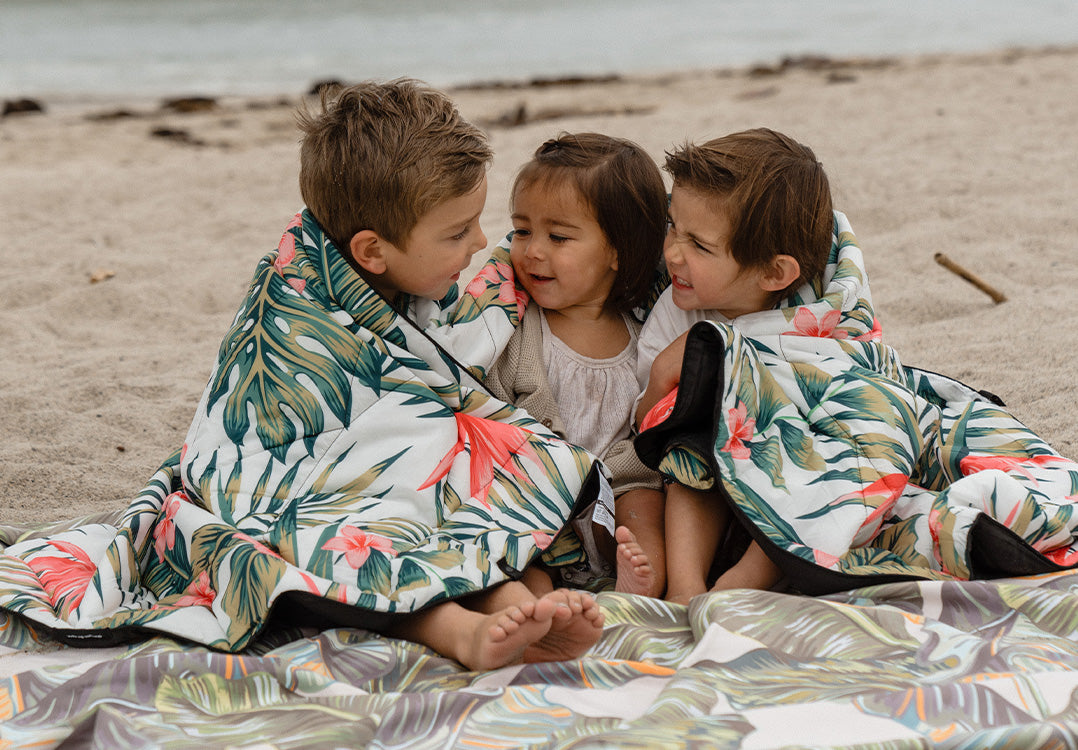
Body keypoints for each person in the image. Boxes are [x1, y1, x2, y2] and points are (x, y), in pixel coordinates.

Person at [177, 79, 604, 670]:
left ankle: (517, 604)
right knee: (356, 536)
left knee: (474, 475)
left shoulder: (388, 264)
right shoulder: (297, 295)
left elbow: (440, 339)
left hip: (361, 452)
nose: (481, 242)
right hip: (279, 470)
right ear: (372, 252)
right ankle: (458, 631)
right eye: (458, 233)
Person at [634, 128, 834, 604]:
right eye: (673, 227)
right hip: (712, 482)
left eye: (699, 246)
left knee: (812, 461)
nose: (671, 253)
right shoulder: (679, 311)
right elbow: (645, 428)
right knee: (693, 438)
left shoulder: (817, 314)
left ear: (773, 273)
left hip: (791, 482)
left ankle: (744, 582)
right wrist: (662, 376)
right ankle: (686, 584)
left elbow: (849, 392)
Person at [485, 133, 670, 597]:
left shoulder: (645, 336)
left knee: (644, 507)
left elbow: (651, 425)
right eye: (522, 231)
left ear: (618, 251)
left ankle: (639, 583)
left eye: (558, 237)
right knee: (516, 556)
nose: (533, 251)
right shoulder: (515, 330)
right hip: (537, 492)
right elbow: (486, 407)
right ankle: (541, 604)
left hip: (619, 488)